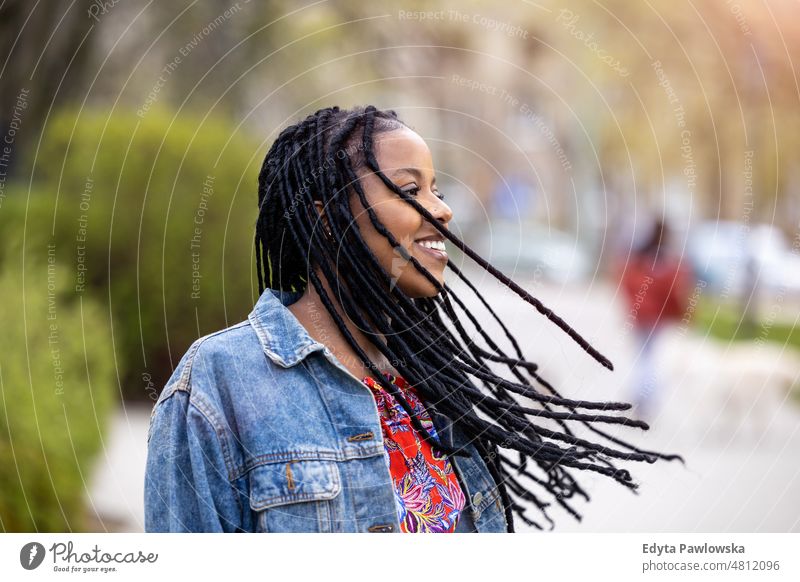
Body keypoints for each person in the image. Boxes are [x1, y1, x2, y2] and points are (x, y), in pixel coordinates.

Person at [145, 106, 680, 533]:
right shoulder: (218, 388)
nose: (441, 210)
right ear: (327, 218)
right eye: (409, 190)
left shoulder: (436, 382)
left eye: (437, 191)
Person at [618, 218, 693, 420]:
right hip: (656, 317)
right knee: (651, 358)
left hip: (640, 316)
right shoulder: (666, 259)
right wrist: (681, 313)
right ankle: (645, 399)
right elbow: (675, 291)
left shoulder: (641, 257)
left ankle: (641, 398)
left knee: (643, 356)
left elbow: (627, 282)